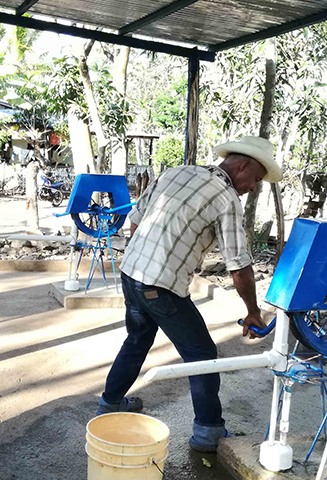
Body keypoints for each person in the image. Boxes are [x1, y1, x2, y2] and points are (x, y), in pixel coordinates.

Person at [96, 135, 284, 452]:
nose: (253, 187)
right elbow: (239, 267)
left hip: (131, 272)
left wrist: (144, 259)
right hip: (161, 285)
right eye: (256, 180)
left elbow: (136, 222)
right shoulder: (226, 200)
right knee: (202, 357)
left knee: (137, 339)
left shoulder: (176, 172)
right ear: (243, 166)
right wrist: (253, 311)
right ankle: (209, 432)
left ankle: (109, 404)